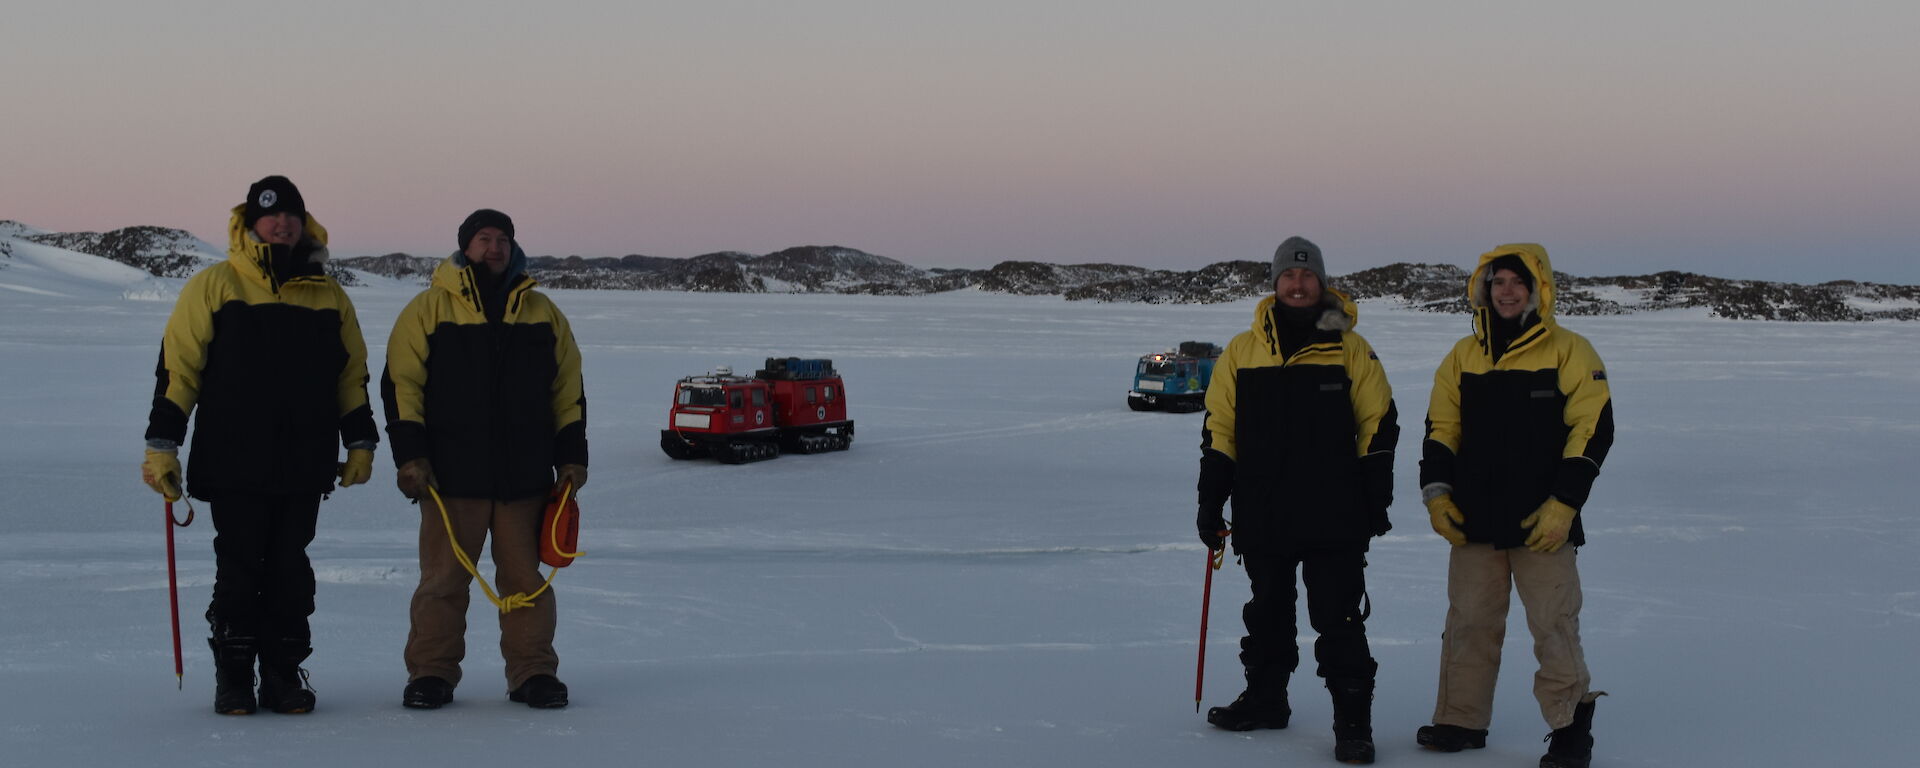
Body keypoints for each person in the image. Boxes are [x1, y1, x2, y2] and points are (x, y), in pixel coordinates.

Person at [140, 175, 378, 715]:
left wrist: (360, 440)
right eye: (269, 216)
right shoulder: (215, 286)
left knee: (291, 569)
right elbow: (179, 373)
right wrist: (162, 447)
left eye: (291, 215)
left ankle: (282, 676)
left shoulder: (328, 294)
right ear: (249, 225)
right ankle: (233, 679)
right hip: (233, 460)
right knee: (241, 568)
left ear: (303, 225)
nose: (282, 223)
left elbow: (351, 376)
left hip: (304, 462)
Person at [1197, 236, 1399, 764]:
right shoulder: (1243, 350)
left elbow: (1378, 425)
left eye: (1308, 276)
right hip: (1262, 510)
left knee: (1338, 618)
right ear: (1275, 283)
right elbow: (1220, 429)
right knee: (1266, 613)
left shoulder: (1351, 348)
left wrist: (1374, 501)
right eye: (1289, 275)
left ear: (1322, 283)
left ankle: (1352, 722)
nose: (1298, 283)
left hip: (1335, 512)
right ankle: (1266, 699)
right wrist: (1210, 501)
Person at [1414, 244, 1614, 768]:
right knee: (1469, 622)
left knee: (1553, 624)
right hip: (1475, 520)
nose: (1506, 291)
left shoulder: (1570, 351)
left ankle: (1571, 729)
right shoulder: (1463, 355)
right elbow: (1441, 429)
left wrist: (1564, 504)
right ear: (1485, 289)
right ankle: (1460, 719)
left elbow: (1592, 430)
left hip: (1542, 521)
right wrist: (1438, 496)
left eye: (1516, 282)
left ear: (1537, 289)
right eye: (1497, 281)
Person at [382, 208, 588, 710]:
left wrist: (571, 457)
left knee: (526, 583)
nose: (493, 247)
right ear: (465, 247)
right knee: (442, 583)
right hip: (450, 478)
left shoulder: (542, 312)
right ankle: (430, 674)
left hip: (524, 478)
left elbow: (568, 390)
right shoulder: (428, 309)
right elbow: (400, 385)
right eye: (483, 239)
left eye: (502, 239)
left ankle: (533, 672)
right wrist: (411, 455)